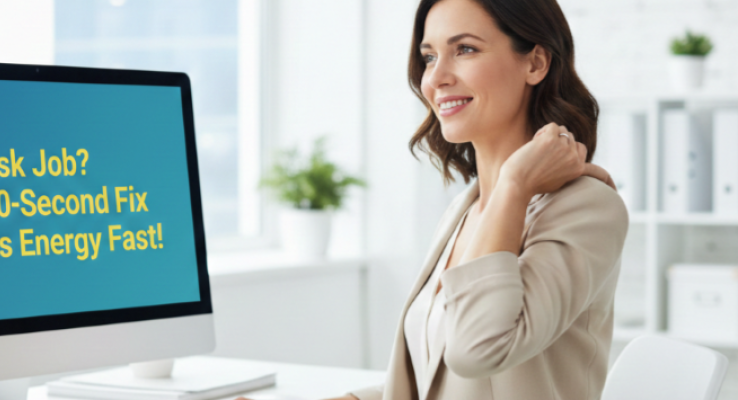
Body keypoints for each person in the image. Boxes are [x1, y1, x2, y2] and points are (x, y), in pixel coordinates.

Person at [239, 0, 627, 398]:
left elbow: (477, 350)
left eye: (465, 49)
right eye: (428, 57)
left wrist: (513, 183)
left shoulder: (585, 208)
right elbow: (438, 383)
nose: (436, 78)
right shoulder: (465, 210)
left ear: (535, 63)